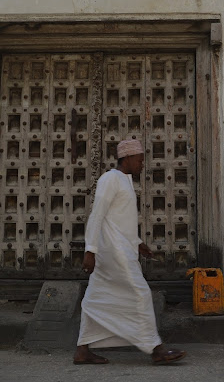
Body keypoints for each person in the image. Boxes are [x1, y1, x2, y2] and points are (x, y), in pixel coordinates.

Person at [73, 139, 186, 365]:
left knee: (95, 299)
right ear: (127, 158)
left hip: (121, 247)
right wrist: (90, 250)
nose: (142, 164)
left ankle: (82, 350)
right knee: (140, 293)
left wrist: (137, 242)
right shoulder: (110, 179)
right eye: (139, 159)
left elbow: (120, 220)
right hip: (114, 252)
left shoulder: (124, 181)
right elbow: (97, 215)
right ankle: (156, 349)